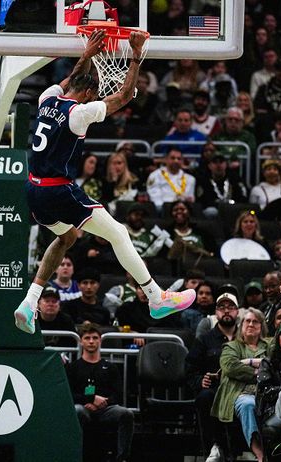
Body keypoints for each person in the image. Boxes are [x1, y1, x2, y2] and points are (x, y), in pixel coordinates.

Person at [14, 30, 195, 334]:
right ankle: (156, 297)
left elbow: (72, 79)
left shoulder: (47, 98)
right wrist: (136, 55)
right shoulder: (80, 113)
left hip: (33, 188)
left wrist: (87, 54)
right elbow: (123, 96)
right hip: (58, 189)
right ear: (88, 94)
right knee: (119, 234)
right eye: (95, 94)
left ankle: (29, 302)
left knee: (67, 238)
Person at [66, 324, 134, 462]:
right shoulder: (73, 368)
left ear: (100, 340)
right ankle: (74, 456)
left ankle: (122, 458)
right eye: (87, 338)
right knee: (77, 410)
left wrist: (103, 403)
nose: (91, 341)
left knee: (126, 413)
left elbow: (118, 394)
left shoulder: (110, 367)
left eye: (95, 338)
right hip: (83, 408)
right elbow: (68, 395)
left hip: (105, 409)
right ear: (81, 341)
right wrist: (91, 399)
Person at [211, 307, 271, 462]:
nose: (251, 324)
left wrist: (249, 361)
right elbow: (231, 367)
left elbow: (274, 363)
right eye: (247, 321)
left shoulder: (269, 346)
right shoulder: (231, 346)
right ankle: (260, 454)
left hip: (268, 393)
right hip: (239, 394)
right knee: (248, 404)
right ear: (241, 325)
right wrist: (260, 372)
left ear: (261, 326)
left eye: (255, 322)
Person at [185, 291, 238, 462]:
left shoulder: (245, 337)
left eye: (231, 307)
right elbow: (190, 369)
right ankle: (213, 447)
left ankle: (235, 450)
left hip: (240, 389)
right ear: (216, 312)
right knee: (205, 397)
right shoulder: (204, 339)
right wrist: (201, 380)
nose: (226, 311)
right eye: (222, 307)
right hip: (214, 389)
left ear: (237, 311)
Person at [146, 147, 196, 212]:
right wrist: (168, 208)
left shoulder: (190, 179)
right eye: (173, 158)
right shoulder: (155, 175)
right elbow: (155, 198)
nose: (176, 161)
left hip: (183, 210)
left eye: (179, 159)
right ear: (166, 159)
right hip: (163, 209)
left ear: (182, 161)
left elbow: (191, 198)